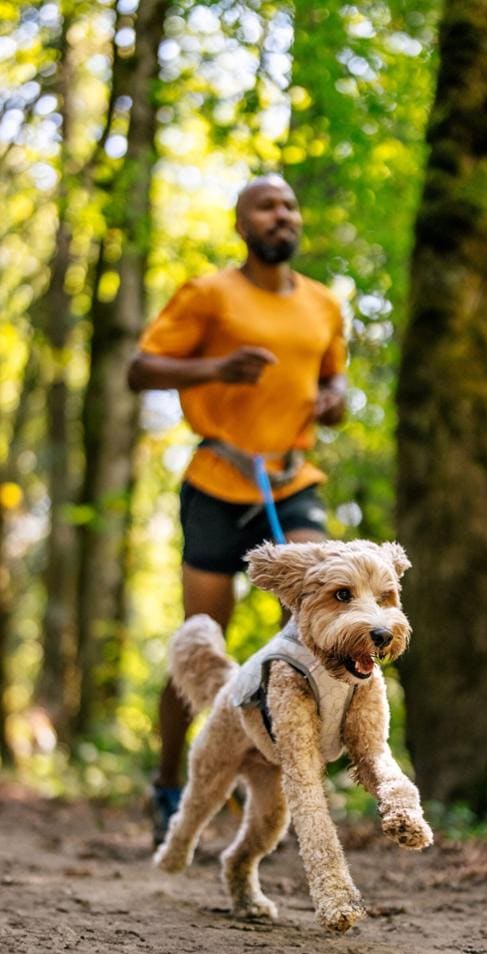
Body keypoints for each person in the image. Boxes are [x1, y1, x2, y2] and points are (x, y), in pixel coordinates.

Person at [127, 174, 347, 844]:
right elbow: (141, 368)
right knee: (202, 640)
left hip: (290, 480)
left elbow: (333, 378)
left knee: (322, 611)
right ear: (242, 224)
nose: (281, 214)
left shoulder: (324, 304)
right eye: (266, 206)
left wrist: (338, 398)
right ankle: (171, 780)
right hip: (219, 480)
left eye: (288, 204)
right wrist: (215, 369)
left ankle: (295, 783)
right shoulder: (209, 294)